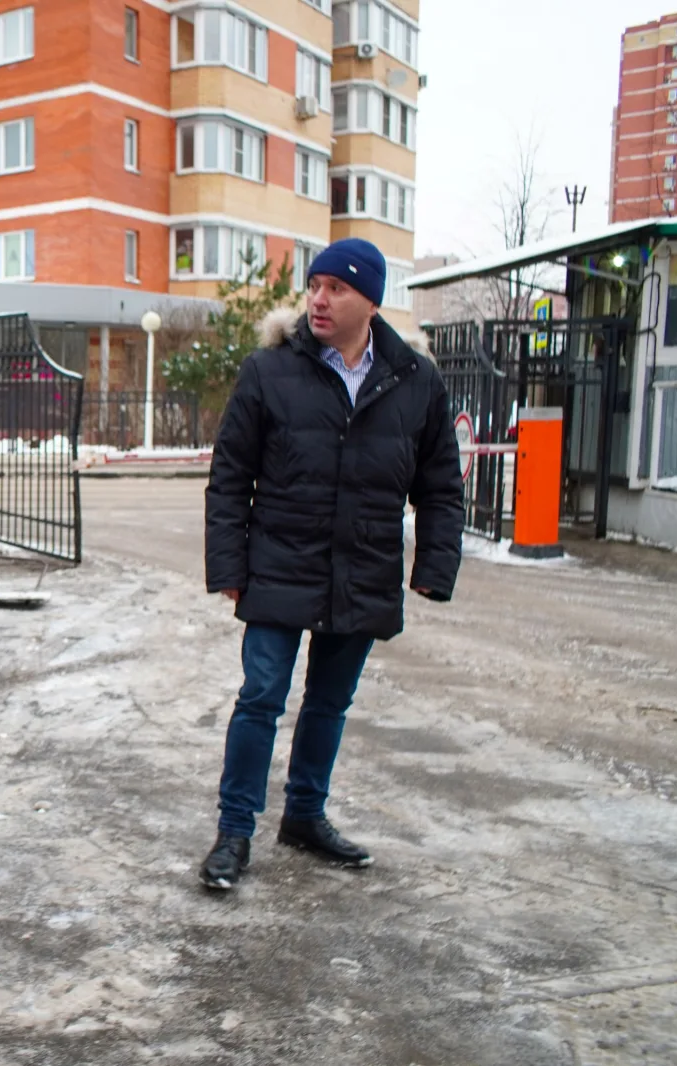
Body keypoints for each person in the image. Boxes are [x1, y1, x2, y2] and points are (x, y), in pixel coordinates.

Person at [198, 237, 464, 891]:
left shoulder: (414, 381)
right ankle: (235, 832)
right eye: (314, 285)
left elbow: (440, 483)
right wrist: (228, 564)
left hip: (363, 566)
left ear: (369, 300)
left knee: (328, 703)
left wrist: (434, 565)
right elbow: (230, 476)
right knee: (260, 698)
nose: (318, 298)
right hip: (279, 564)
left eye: (335, 288)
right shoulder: (270, 370)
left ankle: (305, 816)